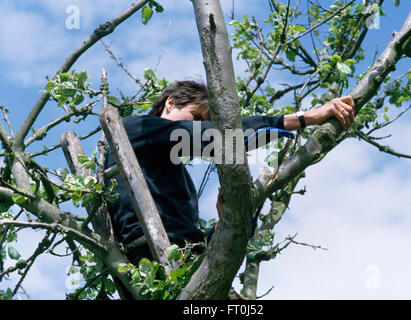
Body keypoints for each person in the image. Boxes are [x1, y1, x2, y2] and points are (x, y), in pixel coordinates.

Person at [105, 80, 355, 266]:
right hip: (155, 257)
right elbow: (223, 136)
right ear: (170, 103)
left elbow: (196, 241)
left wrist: (223, 221)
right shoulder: (135, 128)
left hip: (186, 262)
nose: (198, 127)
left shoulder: (176, 178)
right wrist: (307, 118)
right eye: (196, 117)